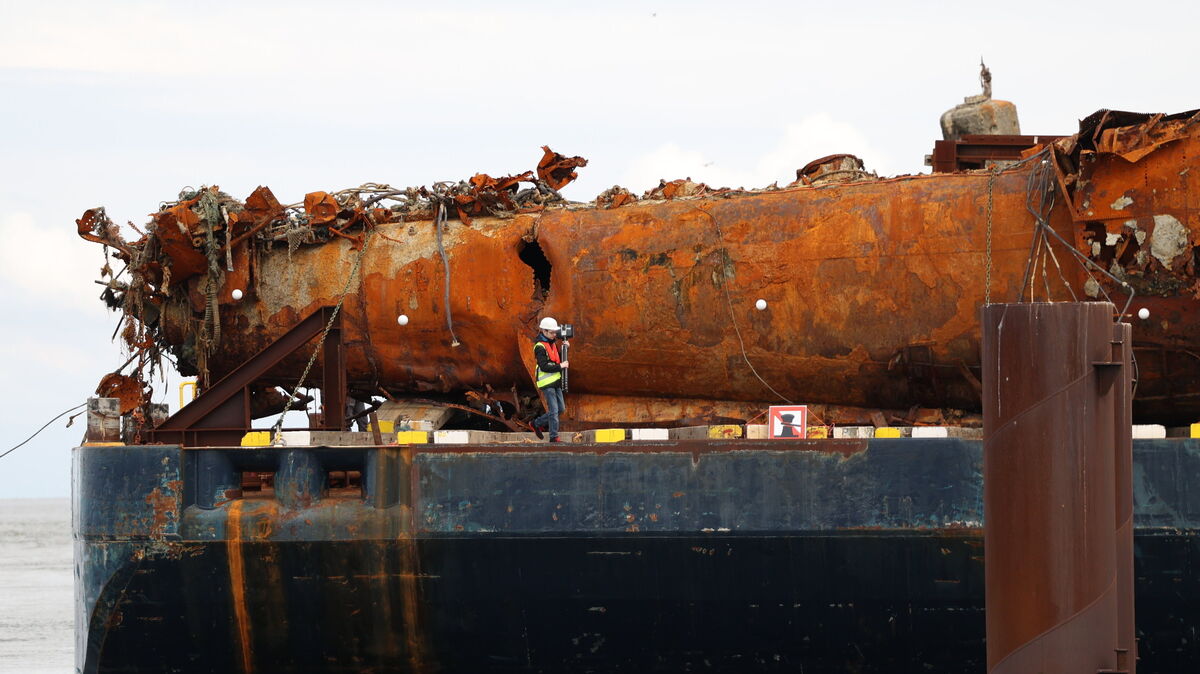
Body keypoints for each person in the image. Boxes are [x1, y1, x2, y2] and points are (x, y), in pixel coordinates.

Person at [531, 316, 569, 442]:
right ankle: (553, 437)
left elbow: (555, 358)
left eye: (555, 332)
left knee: (561, 409)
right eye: (552, 332)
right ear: (544, 331)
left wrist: (566, 346)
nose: (554, 335)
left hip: (555, 382)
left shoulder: (551, 343)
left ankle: (536, 423)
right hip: (547, 383)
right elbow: (544, 366)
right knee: (553, 410)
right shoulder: (540, 347)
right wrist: (561, 366)